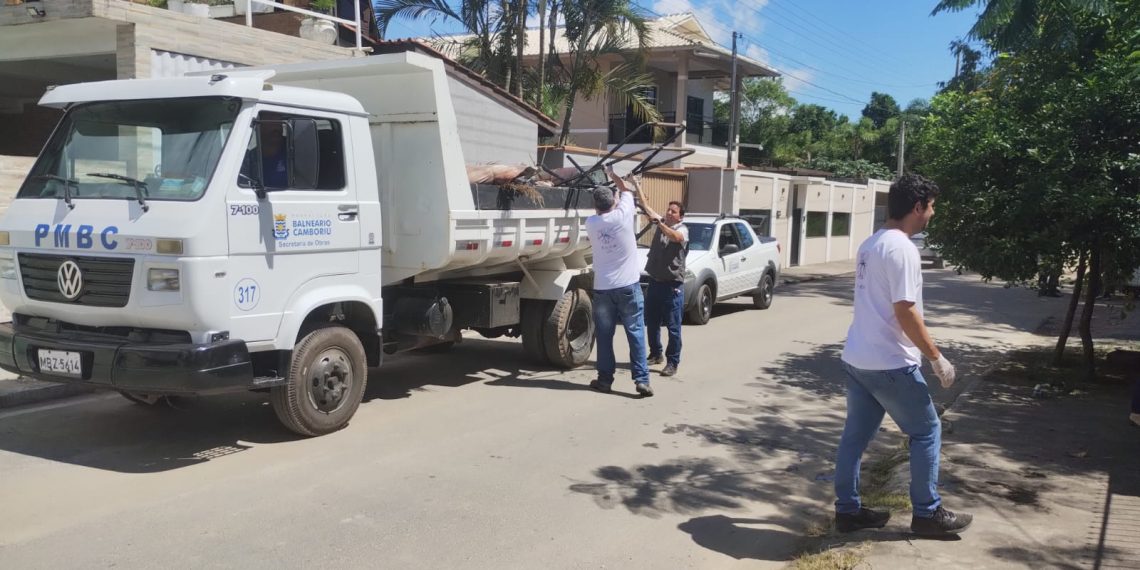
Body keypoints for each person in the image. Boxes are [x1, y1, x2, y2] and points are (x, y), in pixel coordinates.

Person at [833, 174, 973, 537]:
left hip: (858, 359)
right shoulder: (903, 248)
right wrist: (936, 358)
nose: (932, 213)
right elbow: (906, 312)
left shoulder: (871, 243)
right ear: (917, 207)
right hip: (891, 363)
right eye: (931, 207)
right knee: (926, 430)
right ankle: (927, 513)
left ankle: (847, 511)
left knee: (855, 437)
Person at [585, 166, 652, 397]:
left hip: (603, 288)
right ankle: (641, 380)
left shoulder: (591, 223)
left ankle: (605, 380)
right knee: (635, 333)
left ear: (595, 205)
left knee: (604, 336)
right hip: (628, 287)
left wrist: (612, 184)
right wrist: (614, 176)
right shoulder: (624, 213)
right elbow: (626, 189)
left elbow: (618, 196)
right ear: (614, 200)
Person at [642, 196, 688, 377]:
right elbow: (647, 207)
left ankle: (672, 362)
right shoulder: (662, 224)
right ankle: (655, 354)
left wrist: (660, 224)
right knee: (651, 322)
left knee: (673, 327)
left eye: (673, 211)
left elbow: (675, 237)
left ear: (680, 217)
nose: (669, 213)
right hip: (655, 282)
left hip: (672, 286)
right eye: (668, 210)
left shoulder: (682, 229)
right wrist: (635, 185)